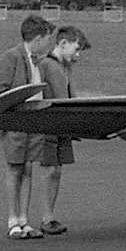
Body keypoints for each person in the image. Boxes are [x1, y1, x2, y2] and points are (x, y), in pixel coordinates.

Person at [0, 14, 55, 240]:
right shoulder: (11, 57)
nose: (49, 42)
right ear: (37, 38)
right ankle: (12, 221)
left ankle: (24, 220)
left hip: (34, 121)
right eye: (47, 37)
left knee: (28, 168)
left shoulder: (41, 61)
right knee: (14, 168)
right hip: (17, 122)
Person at [35, 26, 90, 235]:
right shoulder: (46, 65)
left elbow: (70, 96)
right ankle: (46, 217)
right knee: (51, 170)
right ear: (63, 44)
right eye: (76, 50)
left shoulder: (64, 67)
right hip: (49, 125)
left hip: (61, 125)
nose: (77, 57)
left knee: (57, 171)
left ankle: (49, 216)